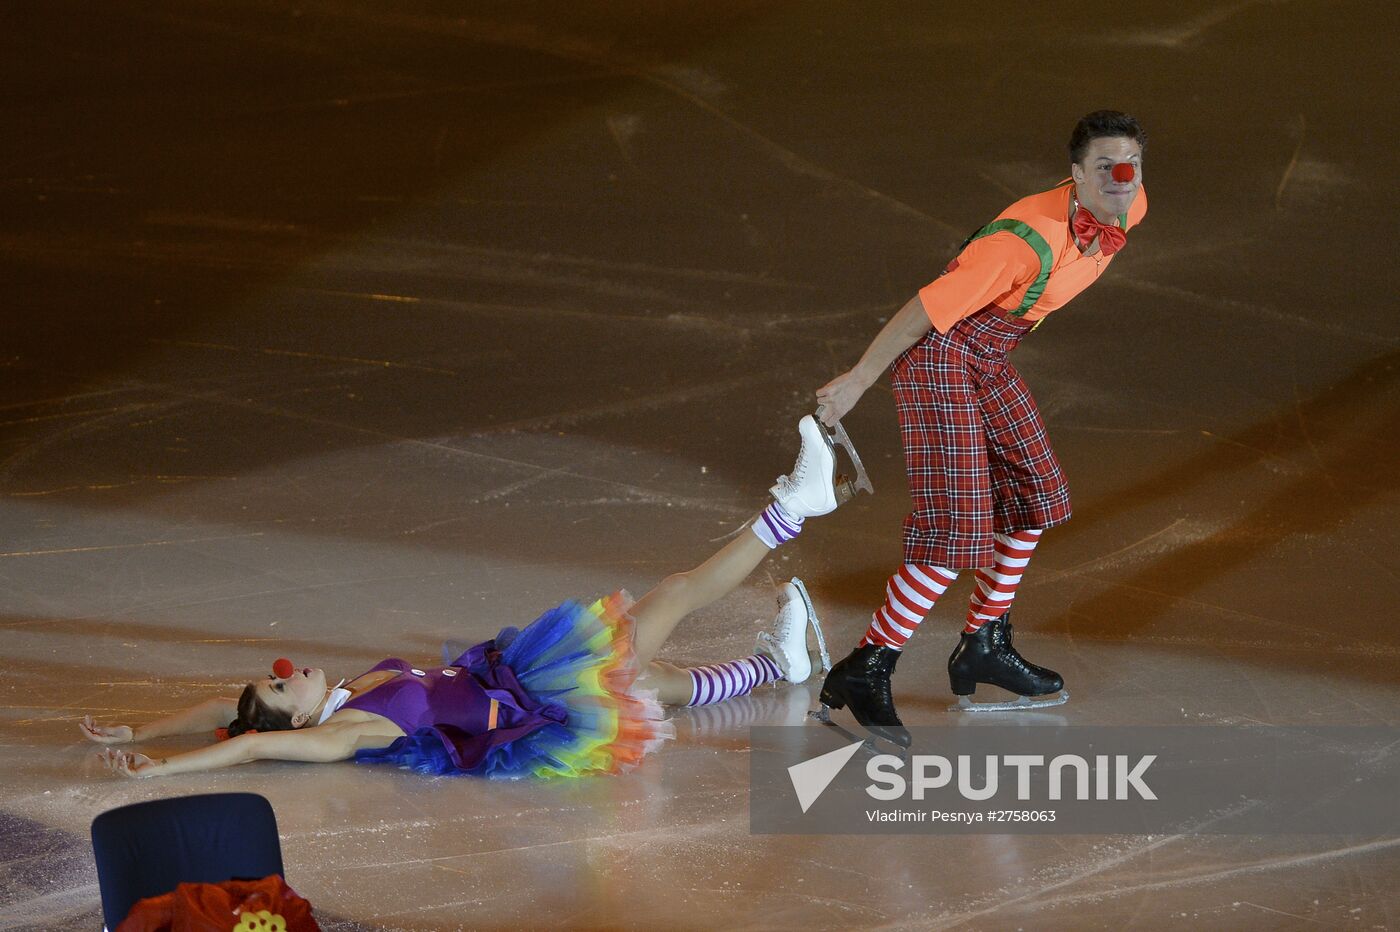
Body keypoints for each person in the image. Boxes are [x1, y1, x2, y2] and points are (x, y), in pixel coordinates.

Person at [82, 417, 843, 779]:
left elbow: (227, 714)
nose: (288, 671)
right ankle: (795, 504)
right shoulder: (341, 733)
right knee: (672, 596)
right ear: (301, 717)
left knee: (660, 687)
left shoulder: (339, 694)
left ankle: (779, 666)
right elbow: (249, 741)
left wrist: (139, 725)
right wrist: (158, 771)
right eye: (284, 686)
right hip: (530, 700)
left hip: (511, 678)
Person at [812, 111, 1148, 738]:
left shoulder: (1128, 204)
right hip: (938, 354)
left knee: (1038, 494)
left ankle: (983, 646)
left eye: (1131, 166)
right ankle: (867, 666)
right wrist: (859, 379)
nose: (1123, 178)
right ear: (1075, 175)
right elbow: (921, 312)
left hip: (989, 351)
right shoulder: (1022, 244)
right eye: (1105, 167)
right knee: (958, 524)